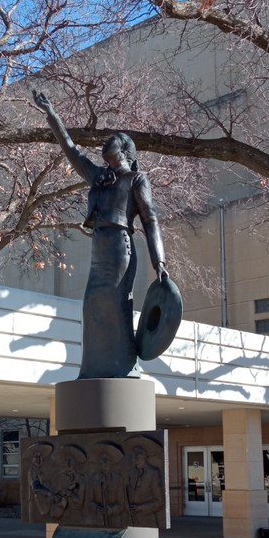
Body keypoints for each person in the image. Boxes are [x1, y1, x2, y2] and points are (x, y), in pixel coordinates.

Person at [33, 90, 169, 379]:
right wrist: (51, 114)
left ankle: (124, 367)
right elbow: (70, 148)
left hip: (120, 248)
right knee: (92, 306)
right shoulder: (98, 176)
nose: (105, 141)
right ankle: (94, 369)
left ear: (123, 149)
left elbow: (150, 220)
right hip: (100, 249)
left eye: (112, 139)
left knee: (115, 305)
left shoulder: (136, 179)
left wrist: (160, 262)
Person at [126, 444, 165, 528]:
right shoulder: (132, 473)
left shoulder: (153, 473)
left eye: (135, 456)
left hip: (147, 521)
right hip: (131, 521)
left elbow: (159, 502)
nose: (133, 459)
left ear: (142, 457)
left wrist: (140, 508)